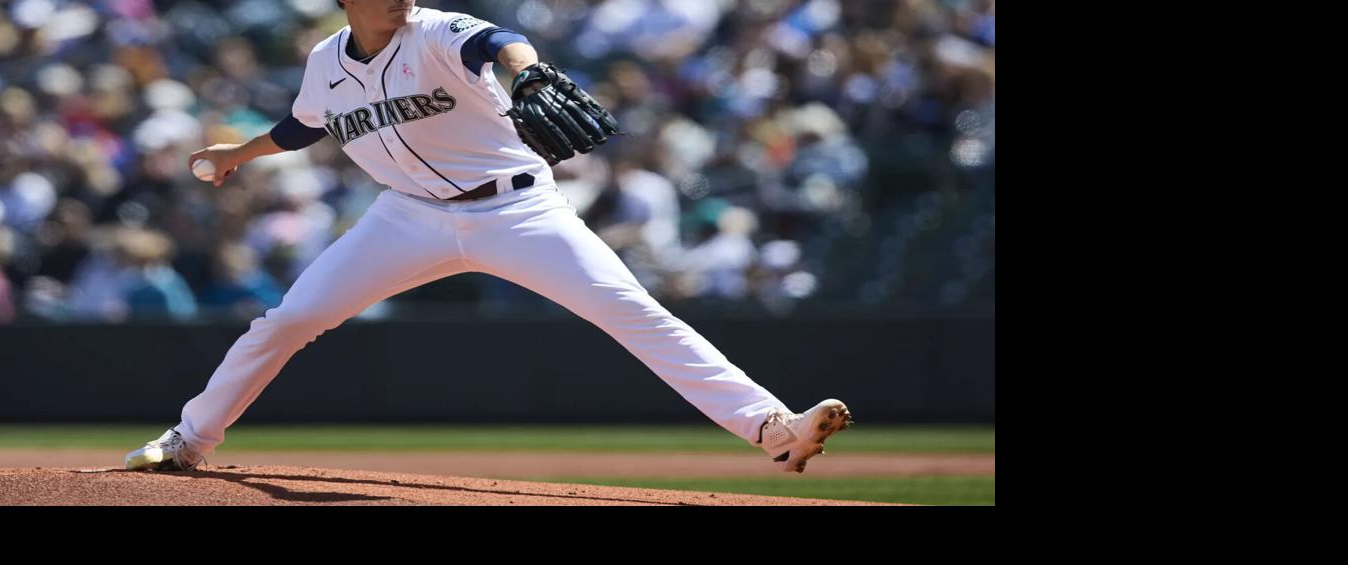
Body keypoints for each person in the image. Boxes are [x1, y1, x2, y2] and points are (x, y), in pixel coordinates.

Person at [125, 1, 850, 476]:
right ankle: (190, 440)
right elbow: (303, 125)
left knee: (632, 312)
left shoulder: (436, 30)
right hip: (403, 217)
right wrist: (235, 156)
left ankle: (770, 428)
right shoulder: (325, 62)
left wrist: (528, 75)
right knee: (288, 319)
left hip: (518, 212)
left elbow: (503, 44)